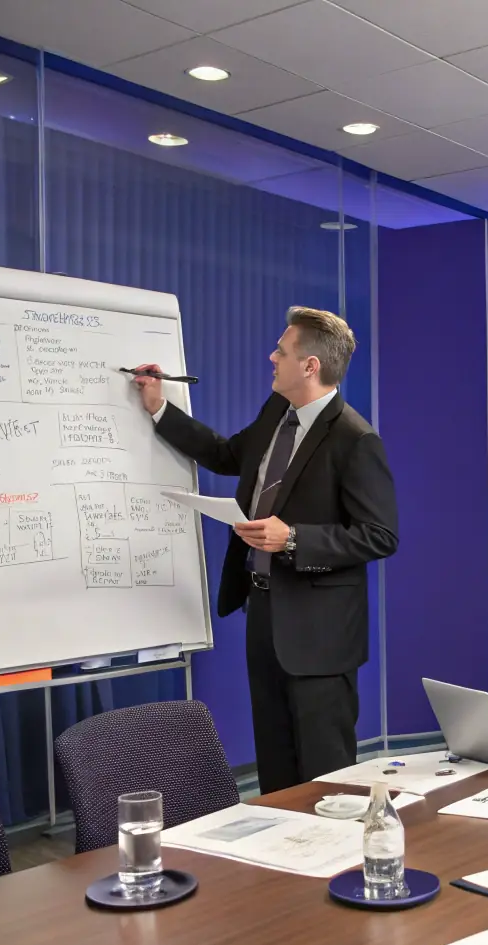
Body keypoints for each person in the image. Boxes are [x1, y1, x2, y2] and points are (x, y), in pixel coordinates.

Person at [134, 307, 397, 794]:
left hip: (321, 634)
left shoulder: (355, 439)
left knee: (326, 775)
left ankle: (335, 863)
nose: (271, 356)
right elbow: (227, 456)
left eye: (282, 349)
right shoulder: (277, 412)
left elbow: (380, 535)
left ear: (310, 365)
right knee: (275, 766)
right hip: (265, 613)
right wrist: (159, 408)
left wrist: (292, 538)